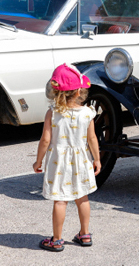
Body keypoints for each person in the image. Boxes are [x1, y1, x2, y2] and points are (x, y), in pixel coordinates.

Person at [33, 63, 101, 252]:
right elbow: (92, 138)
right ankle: (85, 234)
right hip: (81, 160)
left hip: (59, 162)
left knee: (60, 200)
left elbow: (45, 140)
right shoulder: (88, 113)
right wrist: (97, 159)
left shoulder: (53, 113)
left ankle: (56, 240)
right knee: (82, 197)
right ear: (79, 91)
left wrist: (38, 161)